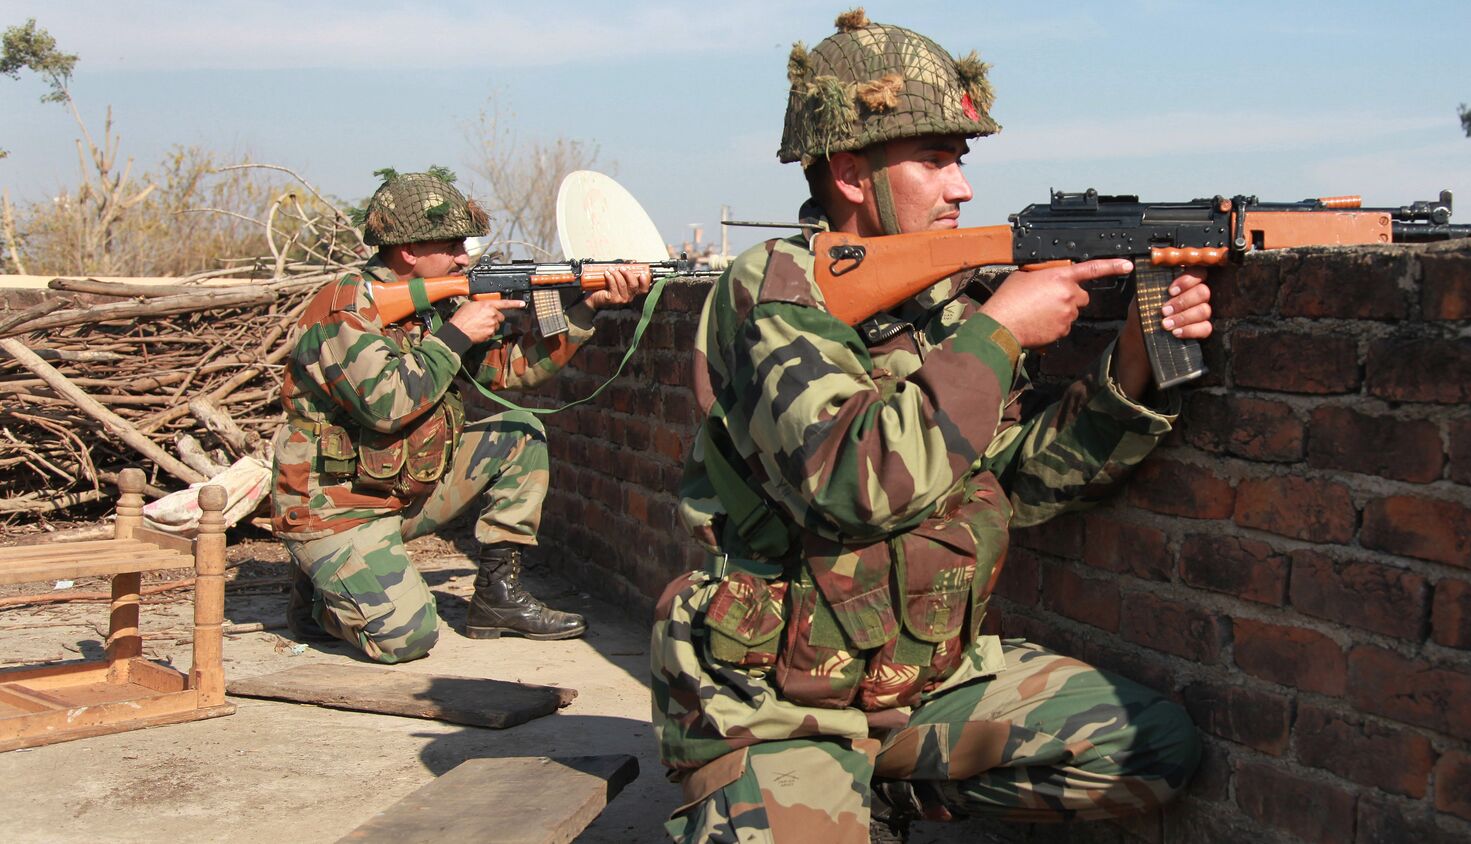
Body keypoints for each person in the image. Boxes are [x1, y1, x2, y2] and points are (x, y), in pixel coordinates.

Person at [650, 10, 1213, 842]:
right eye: (937, 160)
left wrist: (1128, 372)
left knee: (1151, 748)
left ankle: (891, 800)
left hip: (916, 679)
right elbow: (848, 484)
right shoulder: (772, 296)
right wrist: (1001, 332)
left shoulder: (940, 306)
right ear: (850, 173)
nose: (963, 187)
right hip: (773, 702)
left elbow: (1013, 483)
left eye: (963, 160)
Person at [271, 168, 649, 664]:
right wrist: (456, 334)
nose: (463, 257)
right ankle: (324, 596)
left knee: (519, 433)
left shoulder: (437, 304)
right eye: (451, 246)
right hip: (337, 506)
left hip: (402, 489)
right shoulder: (347, 308)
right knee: (408, 640)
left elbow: (510, 372)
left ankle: (497, 599)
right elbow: (387, 407)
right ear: (408, 250)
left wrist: (585, 308)